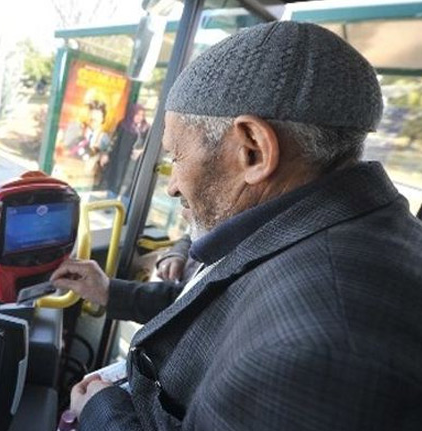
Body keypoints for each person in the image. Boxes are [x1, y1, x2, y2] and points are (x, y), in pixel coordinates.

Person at [50, 21, 422, 430]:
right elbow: (220, 312)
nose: (172, 187)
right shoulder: (328, 230)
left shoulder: (315, 349)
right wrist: (108, 291)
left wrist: (102, 411)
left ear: (253, 150)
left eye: (176, 157)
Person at [101, 104, 151, 197]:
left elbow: (149, 145)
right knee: (116, 180)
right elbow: (114, 140)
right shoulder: (123, 125)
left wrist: (141, 151)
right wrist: (107, 154)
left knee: (130, 183)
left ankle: (125, 204)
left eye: (142, 115)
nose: (139, 117)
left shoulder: (145, 129)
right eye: (137, 114)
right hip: (120, 158)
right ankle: (110, 202)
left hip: (135, 161)